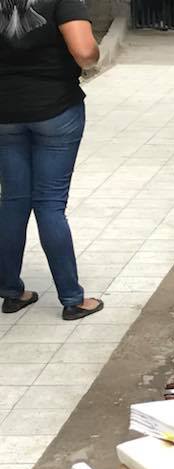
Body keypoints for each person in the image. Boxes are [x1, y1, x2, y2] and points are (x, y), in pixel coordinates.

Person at [0, 0, 104, 320]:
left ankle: (11, 292)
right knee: (49, 203)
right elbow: (85, 53)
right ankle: (72, 299)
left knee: (13, 201)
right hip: (55, 110)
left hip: (5, 114)